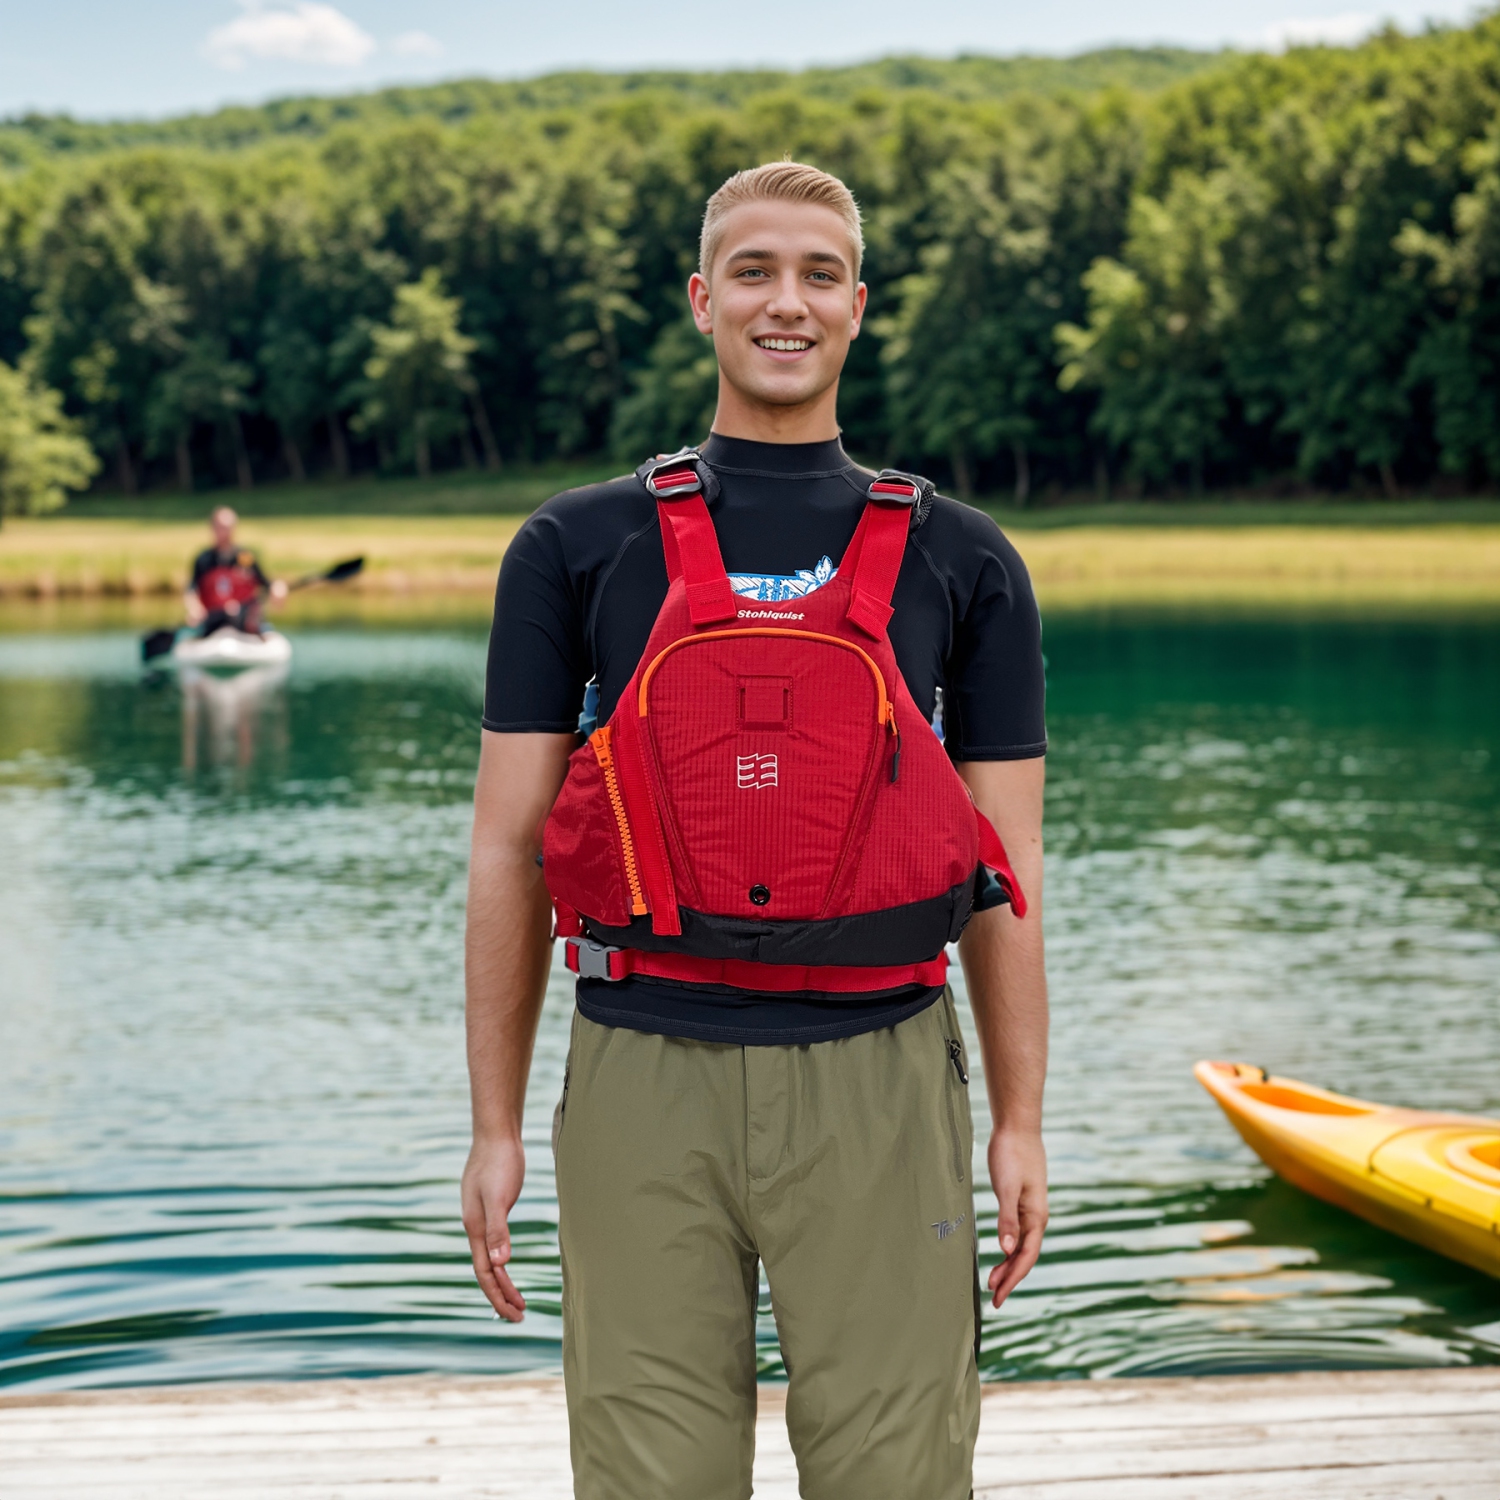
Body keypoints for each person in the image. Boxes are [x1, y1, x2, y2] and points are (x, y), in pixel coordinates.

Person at [462, 161, 1049, 1500]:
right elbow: (506, 853)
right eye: (754, 271)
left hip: (886, 1078)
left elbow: (1005, 878)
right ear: (701, 299)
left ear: (858, 306)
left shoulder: (968, 560)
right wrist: (495, 1127)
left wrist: (1021, 1121)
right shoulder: (573, 544)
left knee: (899, 1478)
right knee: (648, 1479)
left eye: (818, 275)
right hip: (637, 1075)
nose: (786, 302)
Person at [183, 506, 287, 635]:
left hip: (243, 620)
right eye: (221, 528)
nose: (226, 532)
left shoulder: (246, 558)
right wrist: (195, 610)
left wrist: (277, 587)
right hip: (214, 620)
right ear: (213, 528)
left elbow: (266, 583)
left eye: (229, 528)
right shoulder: (203, 560)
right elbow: (191, 590)